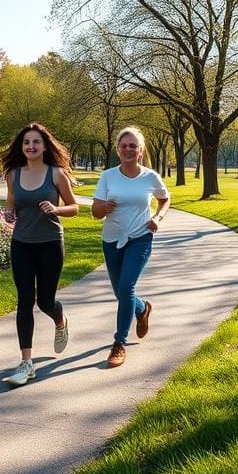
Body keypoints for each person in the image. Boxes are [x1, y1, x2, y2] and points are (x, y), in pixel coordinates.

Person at [0, 123, 79, 387]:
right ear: (21, 148)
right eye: (26, 143)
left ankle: (60, 319)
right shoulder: (13, 174)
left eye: (35, 142)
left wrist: (57, 210)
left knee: (45, 301)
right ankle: (26, 363)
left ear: (45, 146)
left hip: (50, 243)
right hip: (21, 243)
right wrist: (8, 214)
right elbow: (11, 206)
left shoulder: (56, 175)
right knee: (24, 300)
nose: (30, 147)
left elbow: (74, 207)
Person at [91, 127, 170, 368]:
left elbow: (165, 199)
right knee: (121, 293)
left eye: (133, 146)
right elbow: (95, 212)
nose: (128, 149)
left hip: (140, 237)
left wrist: (157, 218)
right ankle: (141, 308)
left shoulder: (150, 177)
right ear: (118, 150)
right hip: (112, 239)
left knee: (126, 287)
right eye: (124, 145)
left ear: (140, 151)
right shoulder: (108, 177)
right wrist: (105, 208)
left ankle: (119, 344)